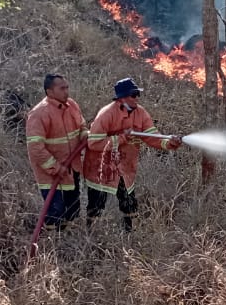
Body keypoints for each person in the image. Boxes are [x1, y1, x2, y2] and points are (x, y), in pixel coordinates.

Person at [84, 78, 182, 231]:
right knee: (97, 204)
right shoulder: (107, 114)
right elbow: (94, 143)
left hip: (125, 168)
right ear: (122, 97)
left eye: (138, 94)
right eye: (133, 95)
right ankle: (91, 237)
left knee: (129, 203)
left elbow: (152, 136)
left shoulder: (141, 113)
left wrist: (170, 143)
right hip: (102, 168)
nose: (137, 98)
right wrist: (122, 138)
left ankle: (130, 235)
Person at [26, 73, 87, 229]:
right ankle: (54, 246)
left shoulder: (72, 105)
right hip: (50, 175)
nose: (66, 91)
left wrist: (85, 135)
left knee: (73, 210)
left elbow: (81, 127)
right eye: (62, 88)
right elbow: (35, 148)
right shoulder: (39, 114)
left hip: (71, 170)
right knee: (55, 213)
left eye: (67, 87)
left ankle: (70, 244)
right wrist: (55, 167)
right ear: (49, 91)